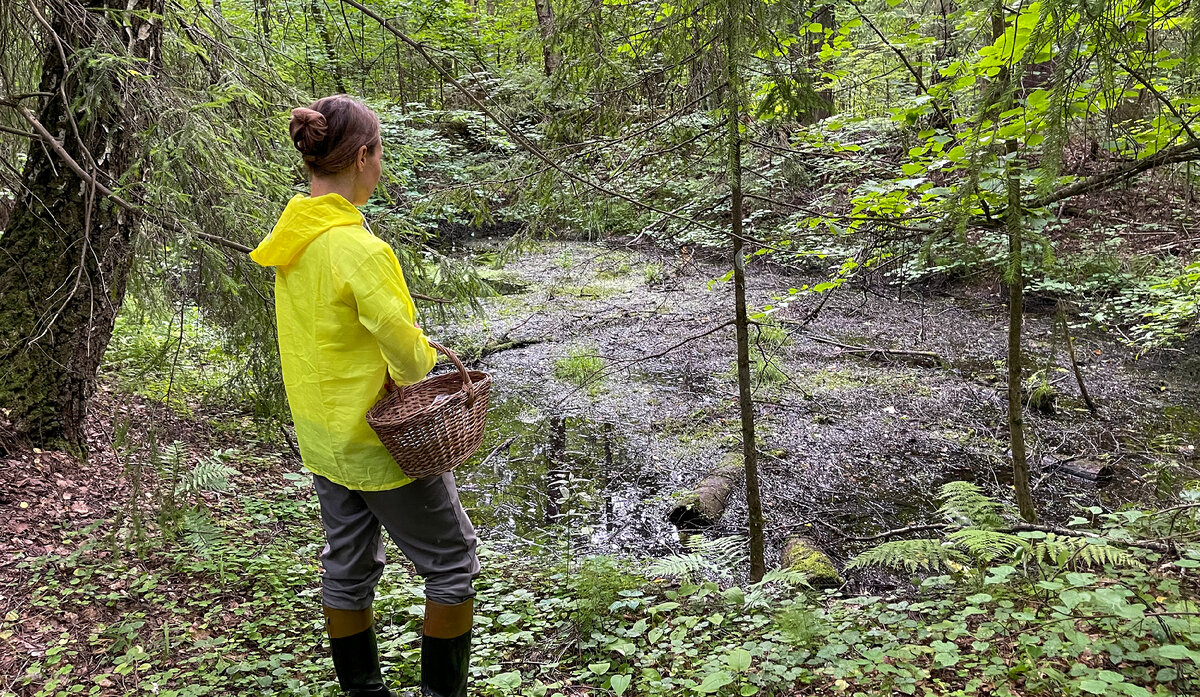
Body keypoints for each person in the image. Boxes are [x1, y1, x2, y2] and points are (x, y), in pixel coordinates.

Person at [250, 94, 480, 697]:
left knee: (348, 570)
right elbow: (407, 357)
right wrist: (428, 359)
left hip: (324, 441)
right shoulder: (362, 250)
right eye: (379, 154)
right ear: (362, 157)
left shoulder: (291, 241)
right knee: (452, 566)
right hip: (384, 446)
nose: (381, 166)